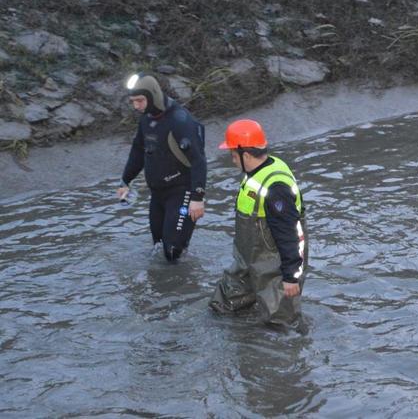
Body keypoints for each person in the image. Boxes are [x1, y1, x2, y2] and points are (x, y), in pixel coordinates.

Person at [209, 119, 308, 326]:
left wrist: (291, 277)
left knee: (280, 324)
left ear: (246, 155)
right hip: (247, 258)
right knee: (221, 306)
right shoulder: (256, 171)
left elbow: (291, 233)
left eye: (233, 156)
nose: (232, 161)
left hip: (274, 262)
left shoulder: (276, 187)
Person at [116, 73, 207, 262]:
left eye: (140, 100)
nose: (136, 106)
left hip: (183, 193)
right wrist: (126, 181)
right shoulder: (146, 120)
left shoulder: (180, 121)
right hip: (157, 195)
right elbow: (138, 150)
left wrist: (197, 198)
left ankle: (181, 287)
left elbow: (198, 160)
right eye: (133, 101)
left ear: (153, 95)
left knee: (172, 250)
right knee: (158, 245)